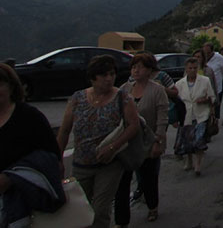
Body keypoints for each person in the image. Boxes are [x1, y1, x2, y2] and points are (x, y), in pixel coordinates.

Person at [57, 55, 139, 228]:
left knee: (101, 209)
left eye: (112, 74)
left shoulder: (123, 98)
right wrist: (58, 159)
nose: (109, 79)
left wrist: (112, 146)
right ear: (93, 77)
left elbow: (133, 126)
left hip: (109, 164)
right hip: (81, 164)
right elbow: (64, 131)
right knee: (80, 209)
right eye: (104, 75)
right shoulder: (77, 99)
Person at [0, 64, 65, 227]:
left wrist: (14, 177)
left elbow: (54, 160)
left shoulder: (30, 117)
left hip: (26, 203)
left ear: (11, 87)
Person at [114, 54, 168, 225]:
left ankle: (153, 206)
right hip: (127, 144)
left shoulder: (157, 90)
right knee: (122, 184)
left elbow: (162, 119)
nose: (136, 70)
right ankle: (121, 220)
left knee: (148, 179)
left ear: (150, 70)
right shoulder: (125, 89)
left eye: (141, 67)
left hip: (147, 143)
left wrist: (158, 142)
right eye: (134, 67)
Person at [174, 58, 216, 176]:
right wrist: (175, 119)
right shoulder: (179, 84)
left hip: (201, 114)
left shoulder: (205, 80)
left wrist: (205, 99)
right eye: (190, 68)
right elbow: (176, 102)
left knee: (198, 140)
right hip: (186, 115)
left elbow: (212, 97)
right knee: (188, 140)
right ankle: (189, 160)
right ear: (186, 69)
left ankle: (198, 164)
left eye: (194, 68)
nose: (192, 70)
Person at [202, 43, 223, 122]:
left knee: (216, 105)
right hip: (203, 88)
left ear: (212, 51)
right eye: (205, 52)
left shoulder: (221, 59)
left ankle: (215, 120)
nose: (206, 54)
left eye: (208, 52)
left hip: (216, 87)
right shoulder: (201, 58)